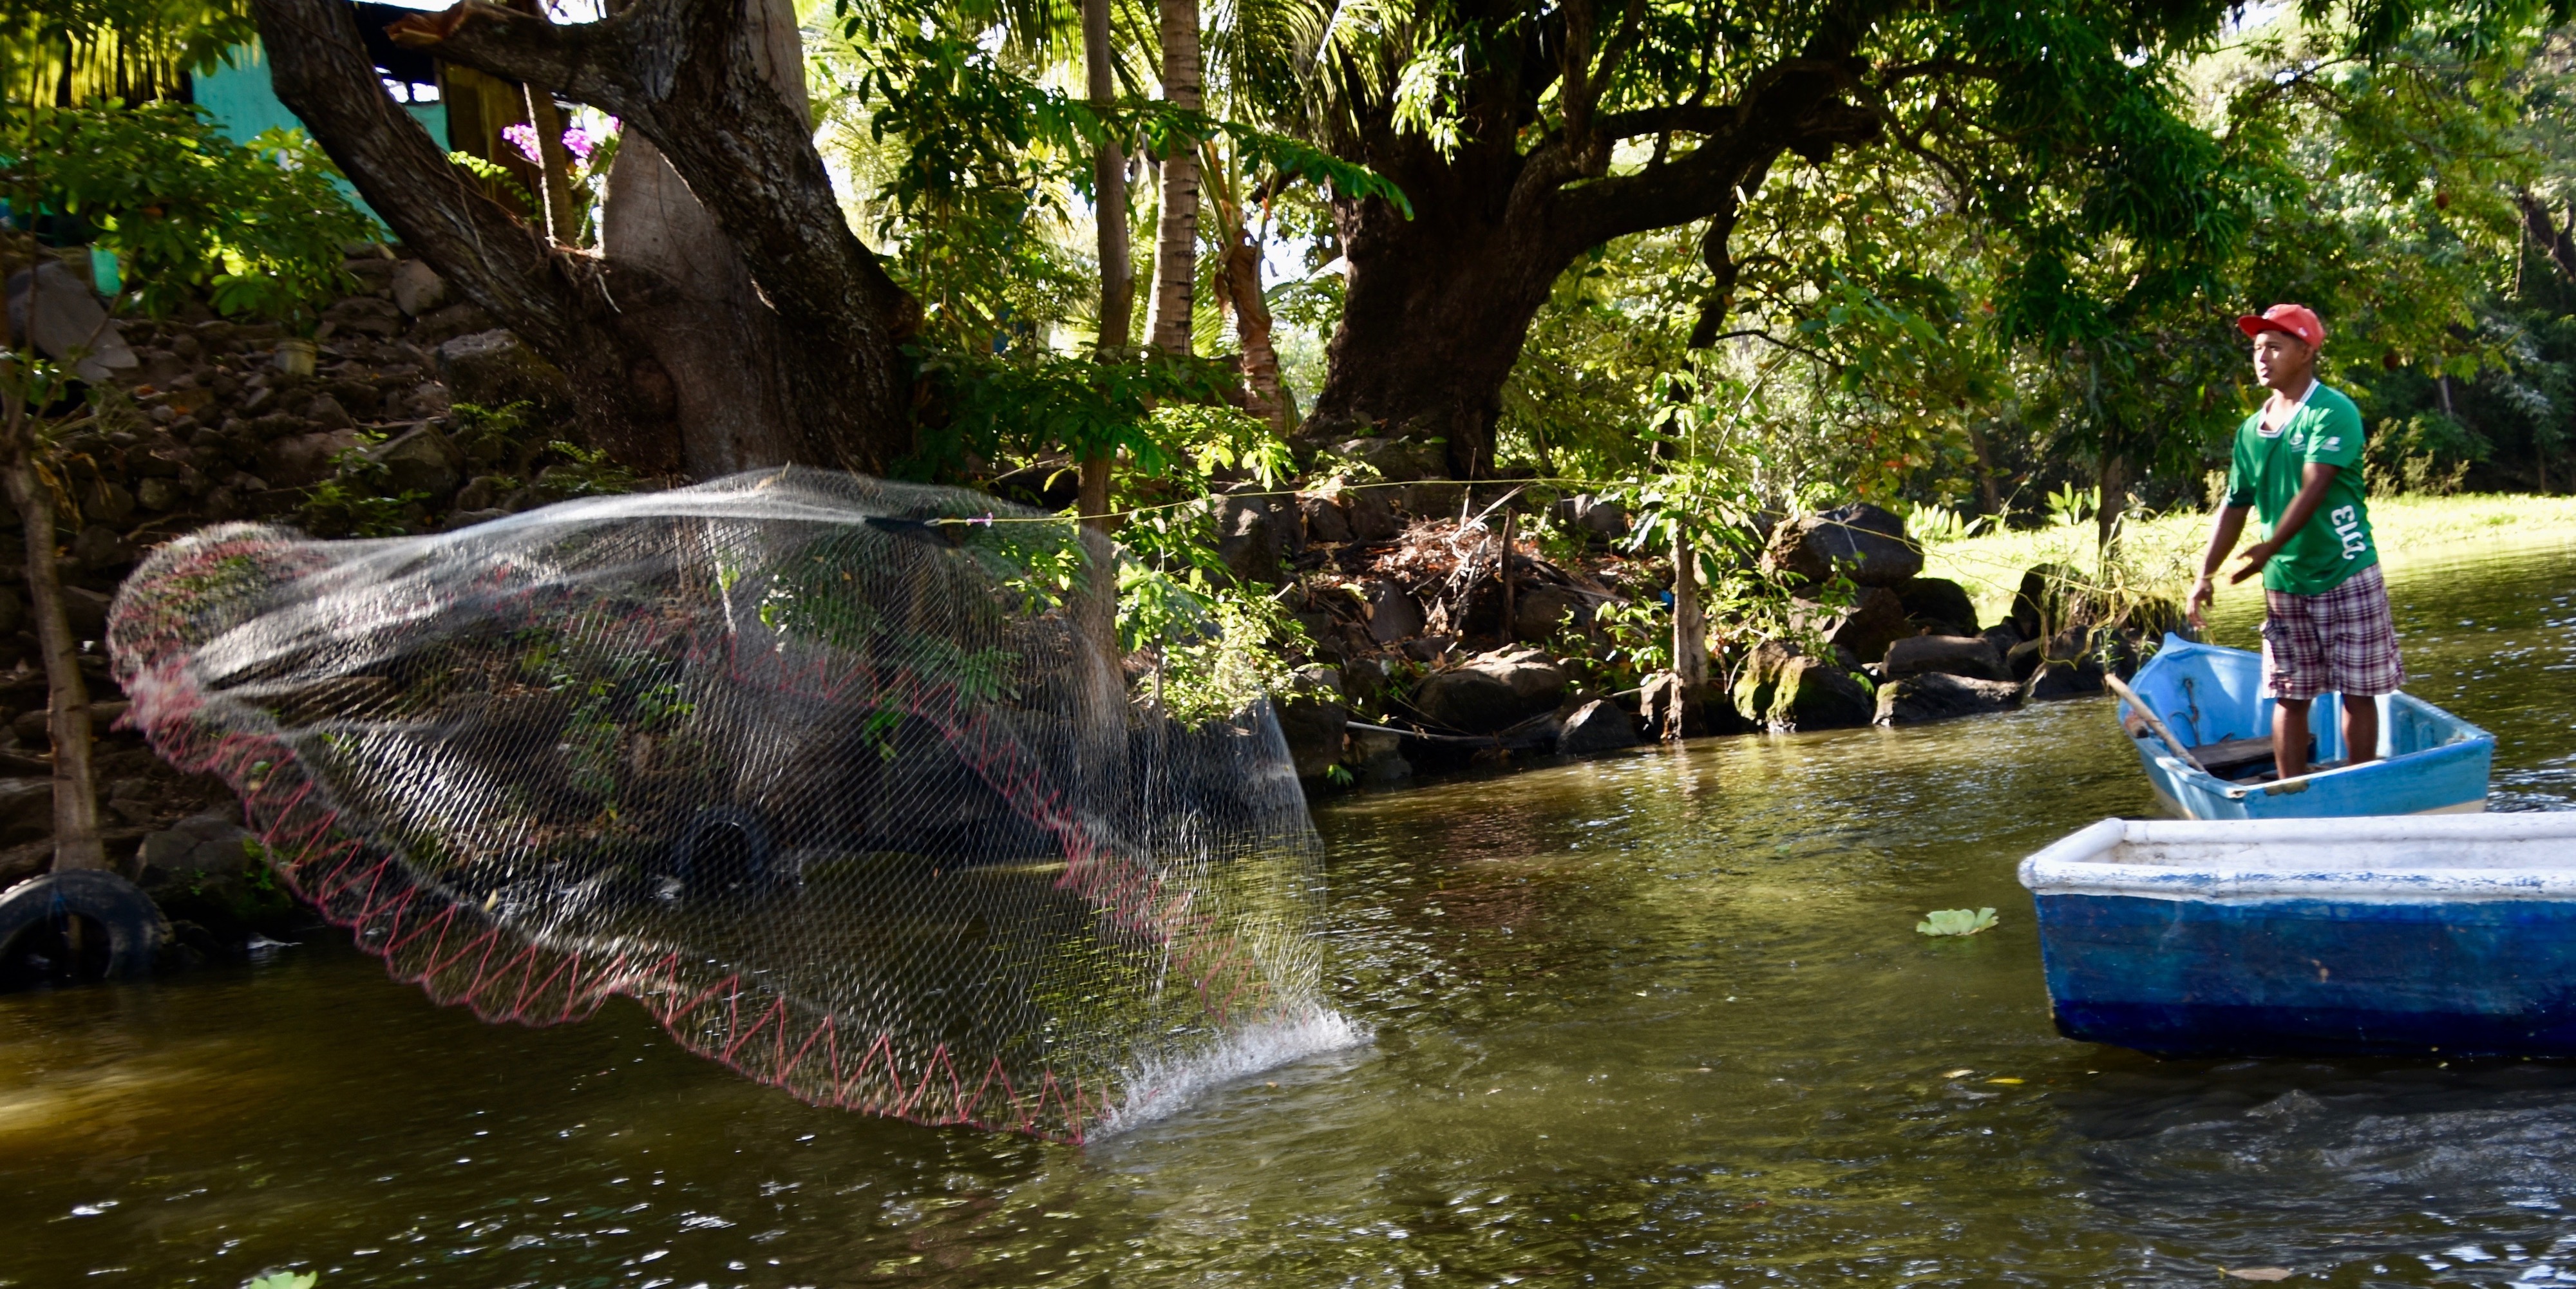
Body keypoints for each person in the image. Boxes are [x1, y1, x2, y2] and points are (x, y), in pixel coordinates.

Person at [2185, 303, 2401, 779]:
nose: (2262, 358)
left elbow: (2315, 483)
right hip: (2286, 583)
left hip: (2346, 569)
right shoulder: (2249, 431)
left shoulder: (2333, 411)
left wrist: (2268, 547)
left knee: (2358, 690)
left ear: (2305, 352)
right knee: (2291, 693)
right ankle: (2292, 793)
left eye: (2274, 347)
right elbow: (2235, 504)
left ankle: (2361, 785)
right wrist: (2204, 575)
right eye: (2257, 348)